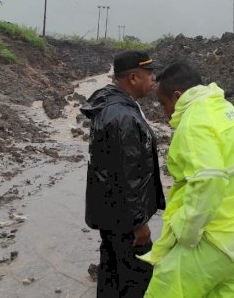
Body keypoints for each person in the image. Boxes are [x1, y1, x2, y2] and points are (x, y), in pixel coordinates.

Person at [140, 60, 234, 298]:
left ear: (178, 96)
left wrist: (187, 234)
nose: (165, 113)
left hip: (209, 243)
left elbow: (209, 181)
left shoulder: (196, 121)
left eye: (163, 104)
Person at [81, 50, 166, 298]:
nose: (154, 80)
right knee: (136, 281)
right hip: (125, 220)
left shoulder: (114, 106)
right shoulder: (122, 117)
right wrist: (140, 224)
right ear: (132, 77)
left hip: (112, 214)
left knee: (112, 273)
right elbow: (127, 175)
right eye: (149, 74)